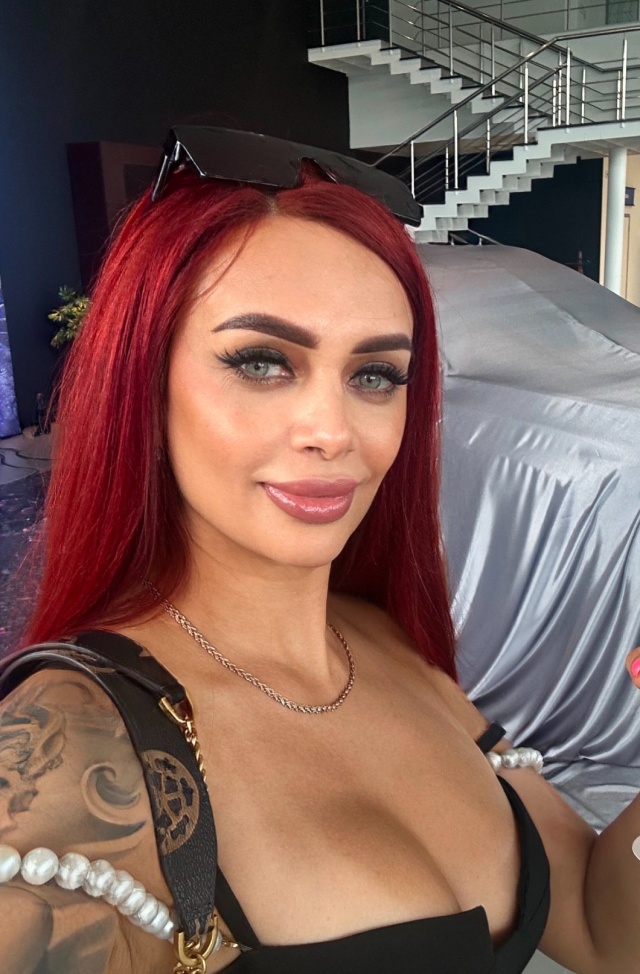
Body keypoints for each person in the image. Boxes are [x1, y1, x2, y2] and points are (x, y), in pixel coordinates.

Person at [1, 126, 639, 974]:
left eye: (375, 375)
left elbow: (599, 929)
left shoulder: (386, 644)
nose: (334, 432)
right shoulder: (70, 742)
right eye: (263, 362)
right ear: (143, 386)